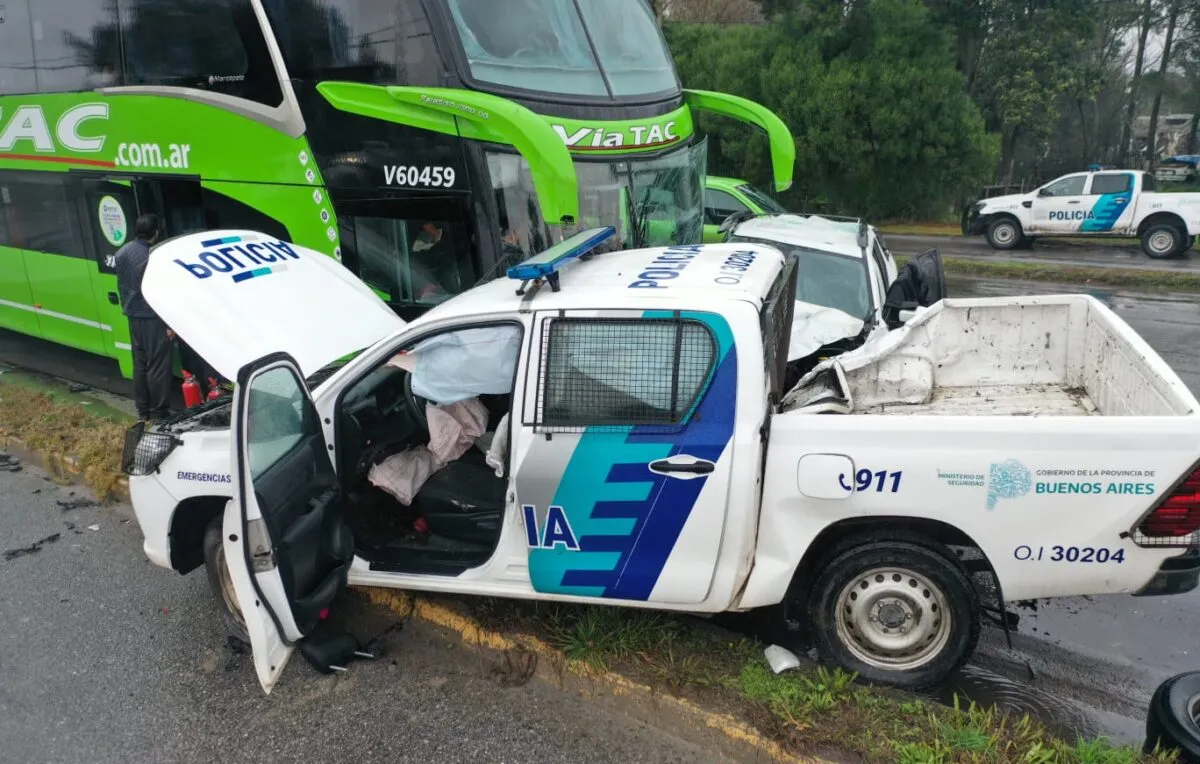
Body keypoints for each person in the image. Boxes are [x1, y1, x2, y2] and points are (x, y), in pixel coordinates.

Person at [114, 214, 174, 421]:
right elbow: (159, 292)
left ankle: (143, 411)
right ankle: (159, 412)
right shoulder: (153, 257)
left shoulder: (122, 252)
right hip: (152, 317)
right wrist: (169, 322)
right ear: (155, 232)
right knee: (158, 366)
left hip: (132, 315)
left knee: (140, 364)